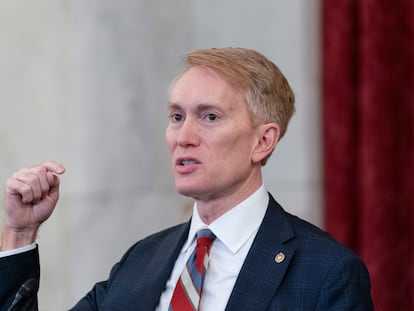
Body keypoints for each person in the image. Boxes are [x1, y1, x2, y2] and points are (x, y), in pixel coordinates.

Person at [0, 48, 373, 310]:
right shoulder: (141, 260)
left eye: (209, 117)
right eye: (177, 117)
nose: (183, 137)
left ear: (263, 141)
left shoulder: (326, 271)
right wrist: (19, 234)